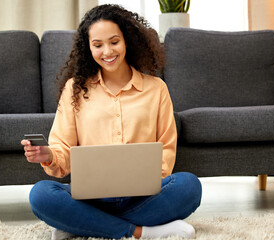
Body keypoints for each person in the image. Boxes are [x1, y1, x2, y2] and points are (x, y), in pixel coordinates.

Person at [21, 4, 202, 240]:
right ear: (89, 48)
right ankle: (140, 232)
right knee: (41, 195)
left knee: (189, 186)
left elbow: (166, 149)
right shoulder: (75, 89)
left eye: (114, 41)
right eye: (98, 45)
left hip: (143, 196)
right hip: (91, 197)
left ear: (127, 41)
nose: (107, 51)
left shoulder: (156, 89)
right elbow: (63, 150)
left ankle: (81, 223)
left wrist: (146, 179)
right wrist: (49, 156)